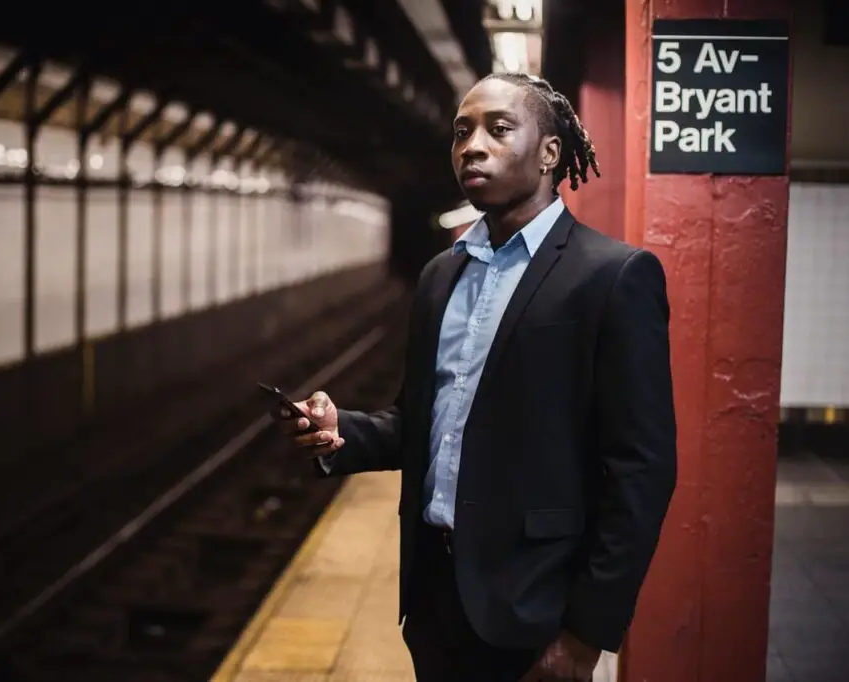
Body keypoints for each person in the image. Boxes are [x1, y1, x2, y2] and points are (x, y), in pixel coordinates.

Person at [273, 72, 677, 682]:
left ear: (549, 153)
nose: (472, 146)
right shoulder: (442, 274)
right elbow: (425, 420)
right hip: (434, 601)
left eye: (498, 128)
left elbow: (642, 469)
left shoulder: (613, 277)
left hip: (533, 611)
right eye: (462, 132)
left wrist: (586, 634)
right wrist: (342, 433)